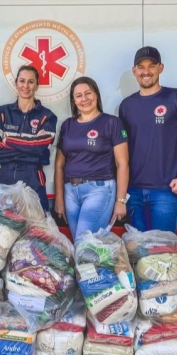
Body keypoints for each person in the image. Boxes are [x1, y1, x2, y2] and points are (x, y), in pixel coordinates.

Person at [119, 46, 177, 233]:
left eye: (151, 66)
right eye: (141, 67)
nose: (146, 72)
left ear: (160, 68)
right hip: (134, 191)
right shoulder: (126, 105)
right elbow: (121, 151)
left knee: (164, 252)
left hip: (165, 190)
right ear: (134, 71)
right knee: (139, 251)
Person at [54, 76, 129, 241]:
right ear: (73, 101)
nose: (84, 99)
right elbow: (59, 164)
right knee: (83, 246)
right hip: (71, 193)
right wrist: (59, 198)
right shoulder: (67, 125)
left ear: (97, 95)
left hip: (99, 190)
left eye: (88, 93)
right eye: (78, 96)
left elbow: (122, 164)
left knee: (84, 243)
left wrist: (121, 200)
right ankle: (94, 268)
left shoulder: (111, 123)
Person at [0, 65, 57, 212]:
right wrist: (31, 147)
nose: (26, 86)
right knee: (3, 230)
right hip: (5, 177)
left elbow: (40, 148)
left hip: (33, 178)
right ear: (16, 83)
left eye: (31, 81)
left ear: (37, 85)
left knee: (37, 231)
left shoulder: (47, 116)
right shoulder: (1, 112)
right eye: (22, 81)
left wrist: (8, 140)